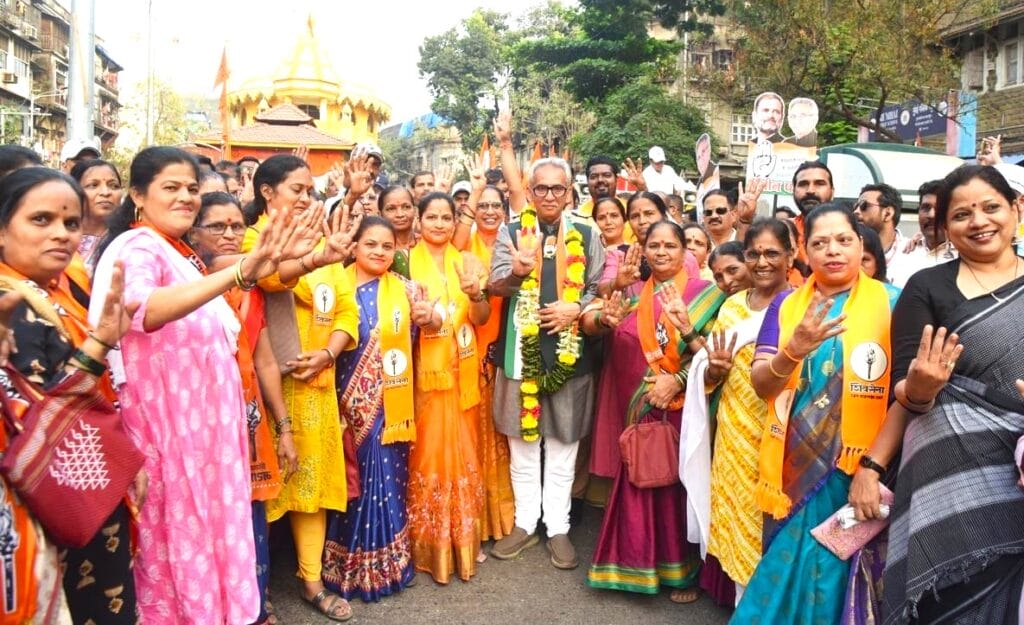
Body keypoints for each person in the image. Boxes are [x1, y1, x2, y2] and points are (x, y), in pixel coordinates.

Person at [90, 146, 303, 624]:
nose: (186, 197)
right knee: (176, 555)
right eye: (171, 187)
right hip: (169, 440)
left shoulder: (177, 252)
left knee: (210, 549)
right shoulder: (138, 247)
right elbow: (144, 309)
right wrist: (242, 272)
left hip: (204, 444)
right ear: (137, 195)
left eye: (191, 188)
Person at [731, 203, 900, 624]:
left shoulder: (893, 303)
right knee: (783, 573)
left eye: (844, 240)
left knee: (835, 580)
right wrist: (794, 349)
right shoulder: (787, 307)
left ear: (861, 245)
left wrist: (874, 467)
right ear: (804, 250)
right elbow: (762, 384)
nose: (833, 251)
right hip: (792, 468)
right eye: (820, 243)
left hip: (860, 470)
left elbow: (906, 396)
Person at [881, 165, 1024, 624]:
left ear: (1016, 210)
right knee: (947, 596)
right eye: (961, 214)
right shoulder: (926, 287)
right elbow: (905, 385)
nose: (978, 221)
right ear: (945, 228)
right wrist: (921, 388)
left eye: (991, 207)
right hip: (946, 474)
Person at [0, 167, 139, 624]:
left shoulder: (57, 292)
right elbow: (40, 424)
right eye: (41, 220)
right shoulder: (10, 304)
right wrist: (99, 344)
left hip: (85, 489)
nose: (61, 234)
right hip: (39, 507)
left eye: (71, 223)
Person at [241, 154, 362, 622]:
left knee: (309, 488)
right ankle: (258, 587)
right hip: (269, 390)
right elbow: (269, 278)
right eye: (297, 189)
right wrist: (310, 257)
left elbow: (348, 310)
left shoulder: (322, 239)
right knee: (265, 490)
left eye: (311, 191)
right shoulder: (253, 239)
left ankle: (312, 583)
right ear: (266, 192)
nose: (307, 199)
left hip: (317, 386)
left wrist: (329, 353)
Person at [585, 219, 725, 602]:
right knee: (642, 475)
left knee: (680, 485)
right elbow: (597, 321)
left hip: (685, 408)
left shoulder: (707, 295)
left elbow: (717, 357)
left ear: (686, 251)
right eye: (654, 245)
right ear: (643, 251)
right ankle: (634, 564)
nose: (661, 252)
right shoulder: (632, 294)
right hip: (640, 403)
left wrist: (677, 380)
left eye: (670, 245)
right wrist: (603, 315)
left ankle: (683, 573)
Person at [488, 158, 606, 569]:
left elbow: (598, 288)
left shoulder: (589, 234)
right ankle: (524, 524)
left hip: (571, 354)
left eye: (558, 189)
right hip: (519, 352)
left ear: (570, 193)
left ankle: (558, 527)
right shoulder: (509, 231)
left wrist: (576, 306)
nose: (550, 196)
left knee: (563, 445)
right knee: (522, 444)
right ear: (530, 191)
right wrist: (519, 271)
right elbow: (496, 284)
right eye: (542, 189)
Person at [190, 191, 299, 625]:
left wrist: (284, 427)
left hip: (250, 424)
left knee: (253, 514)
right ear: (193, 233)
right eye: (218, 227)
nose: (231, 234)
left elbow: (264, 360)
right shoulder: (187, 285)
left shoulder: (249, 292)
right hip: (204, 428)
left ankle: (255, 603)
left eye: (237, 225)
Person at [681, 218, 795, 606]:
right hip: (732, 433)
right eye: (754, 254)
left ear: (791, 256)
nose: (762, 262)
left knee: (765, 522)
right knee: (733, 517)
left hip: (777, 434)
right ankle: (741, 604)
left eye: (772, 253)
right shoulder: (731, 307)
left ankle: (762, 609)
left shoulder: (798, 306)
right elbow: (709, 373)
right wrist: (714, 370)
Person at [321, 216, 428, 601]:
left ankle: (391, 564)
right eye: (371, 245)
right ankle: (347, 567)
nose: (380, 252)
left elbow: (429, 332)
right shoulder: (334, 286)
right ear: (354, 247)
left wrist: (430, 318)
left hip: (392, 406)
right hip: (343, 405)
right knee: (353, 483)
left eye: (387, 246)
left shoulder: (409, 290)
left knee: (388, 482)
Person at [407, 192, 490, 583]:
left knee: (464, 452)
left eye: (446, 217)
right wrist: (419, 320)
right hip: (424, 374)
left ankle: (463, 539)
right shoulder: (405, 262)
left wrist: (476, 294)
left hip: (463, 374)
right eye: (432, 217)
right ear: (418, 221)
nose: (439, 224)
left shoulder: (468, 262)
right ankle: (428, 540)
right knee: (428, 454)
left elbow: (481, 316)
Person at [452, 174, 517, 543]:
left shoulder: (512, 245)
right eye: (483, 206)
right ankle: (472, 518)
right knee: (471, 432)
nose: (490, 212)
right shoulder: (464, 246)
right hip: (467, 343)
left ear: (505, 212)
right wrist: (475, 190)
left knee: (500, 436)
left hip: (503, 343)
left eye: (497, 206)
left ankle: (499, 519)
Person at [853, 183, 921, 287]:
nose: (856, 211)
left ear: (887, 213)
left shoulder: (914, 253)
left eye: (864, 205)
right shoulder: (849, 251)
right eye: (856, 206)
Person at [69, 158, 123, 272]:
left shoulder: (128, 240)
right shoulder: (62, 237)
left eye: (114, 186)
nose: (106, 192)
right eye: (93, 185)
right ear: (74, 192)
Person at [378, 186, 418, 278]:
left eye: (406, 207)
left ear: (415, 211)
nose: (400, 214)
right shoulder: (376, 249)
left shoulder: (426, 242)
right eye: (391, 209)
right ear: (380, 214)